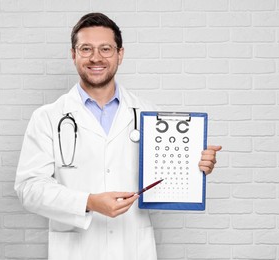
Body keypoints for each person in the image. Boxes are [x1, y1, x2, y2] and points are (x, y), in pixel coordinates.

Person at [15, 12, 221, 260]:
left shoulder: (147, 115)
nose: (96, 58)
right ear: (74, 55)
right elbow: (29, 189)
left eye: (105, 49)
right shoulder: (48, 117)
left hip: (132, 248)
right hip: (76, 251)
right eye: (86, 49)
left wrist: (193, 167)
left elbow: (164, 178)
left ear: (120, 54)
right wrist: (89, 202)